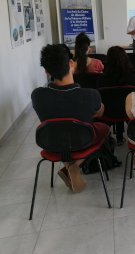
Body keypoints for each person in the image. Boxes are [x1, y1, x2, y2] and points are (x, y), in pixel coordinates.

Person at [31, 44, 109, 193]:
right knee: (104, 128)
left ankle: (68, 165)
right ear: (71, 63)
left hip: (51, 142)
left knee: (63, 129)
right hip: (83, 141)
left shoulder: (37, 95)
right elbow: (100, 113)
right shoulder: (90, 95)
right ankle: (75, 164)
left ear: (47, 72)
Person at [97, 46, 135, 145]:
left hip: (107, 113)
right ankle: (121, 137)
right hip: (129, 113)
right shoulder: (134, 79)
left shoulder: (101, 80)